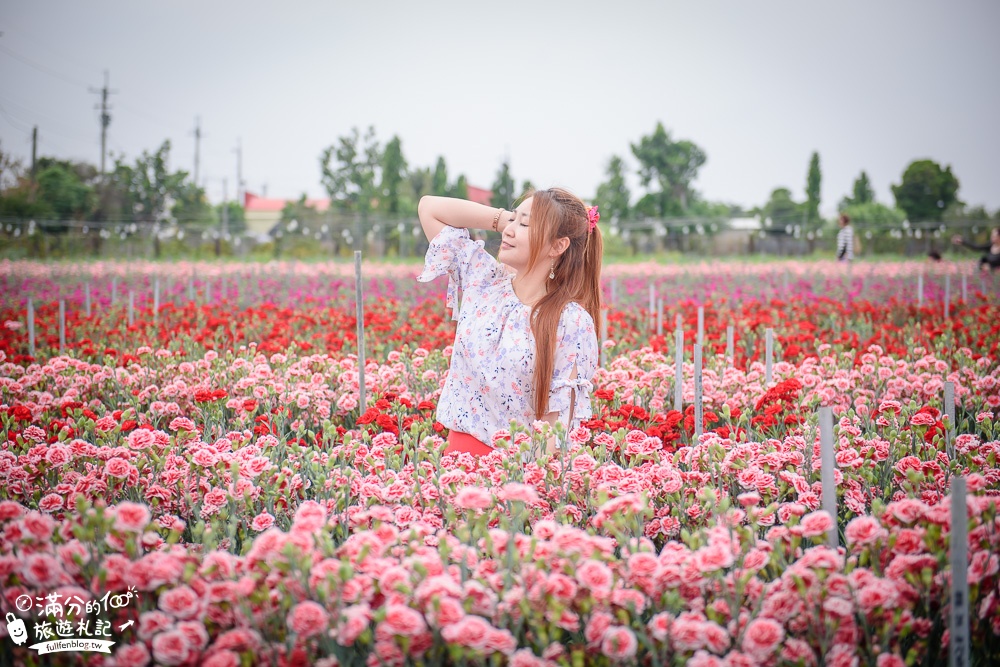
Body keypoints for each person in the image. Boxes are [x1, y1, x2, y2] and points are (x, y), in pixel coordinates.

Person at [417, 188, 603, 457]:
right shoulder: (483, 280)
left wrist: (525, 490)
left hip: (516, 474)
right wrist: (509, 220)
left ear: (558, 245)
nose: (509, 231)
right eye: (512, 221)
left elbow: (556, 427)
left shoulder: (570, 322)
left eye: (525, 224)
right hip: (457, 466)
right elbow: (429, 206)